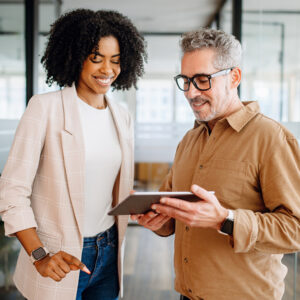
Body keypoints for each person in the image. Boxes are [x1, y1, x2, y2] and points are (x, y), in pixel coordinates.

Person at [132, 28, 300, 300]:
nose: (190, 92)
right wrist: (155, 221)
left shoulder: (272, 138)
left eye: (201, 80)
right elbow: (172, 219)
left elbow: (295, 229)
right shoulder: (189, 140)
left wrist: (226, 220)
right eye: (185, 81)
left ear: (234, 77)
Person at [0, 9, 146, 300]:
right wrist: (39, 255)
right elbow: (12, 191)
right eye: (96, 58)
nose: (107, 70)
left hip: (109, 250)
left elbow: (109, 185)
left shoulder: (122, 116)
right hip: (59, 256)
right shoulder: (45, 108)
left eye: (115, 61)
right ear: (75, 55)